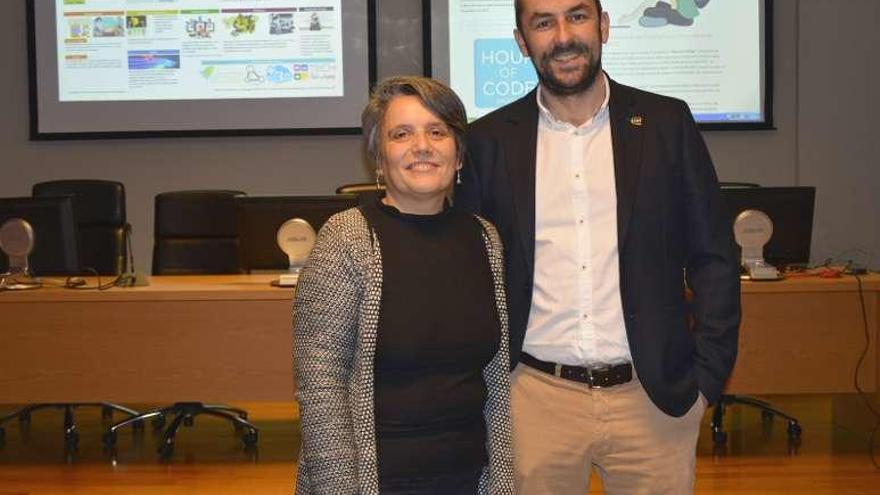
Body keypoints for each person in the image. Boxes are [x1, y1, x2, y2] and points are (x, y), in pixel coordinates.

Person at [456, 0, 740, 493]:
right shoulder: (488, 142)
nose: (563, 35)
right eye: (543, 23)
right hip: (535, 401)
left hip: (652, 400)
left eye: (578, 16)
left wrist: (705, 379)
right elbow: (466, 275)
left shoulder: (667, 123)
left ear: (604, 26)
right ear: (523, 41)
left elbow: (713, 256)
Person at [294, 76, 515, 494]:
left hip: (469, 477)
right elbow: (322, 384)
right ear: (378, 158)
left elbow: (496, 380)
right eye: (402, 134)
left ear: (459, 154)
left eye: (437, 131)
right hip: (376, 482)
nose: (423, 146)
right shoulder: (345, 239)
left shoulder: (485, 239)